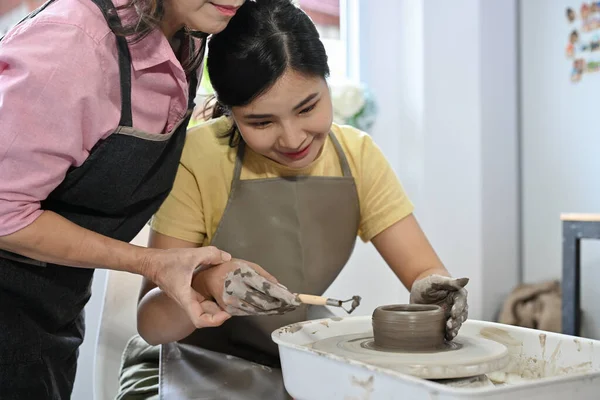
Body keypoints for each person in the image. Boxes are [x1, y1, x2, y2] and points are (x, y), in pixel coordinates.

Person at [117, 0, 470, 399]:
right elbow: (151, 324)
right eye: (261, 122)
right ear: (231, 113)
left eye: (308, 108)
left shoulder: (357, 157)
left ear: (327, 82)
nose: (293, 138)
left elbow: (424, 271)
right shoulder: (198, 158)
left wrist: (435, 293)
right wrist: (209, 283)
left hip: (293, 362)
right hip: (184, 363)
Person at [0, 0, 246, 398]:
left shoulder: (190, 32)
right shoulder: (75, 42)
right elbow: (3, 210)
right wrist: (152, 263)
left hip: (53, 306)